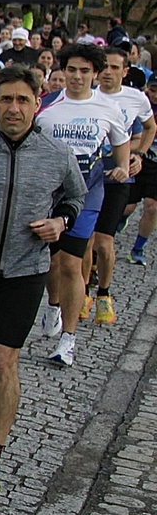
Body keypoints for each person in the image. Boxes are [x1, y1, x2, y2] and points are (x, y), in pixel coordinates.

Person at [0, 66, 85, 493]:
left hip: (26, 271)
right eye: (6, 99)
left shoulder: (56, 153)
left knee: (4, 360)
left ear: (37, 103)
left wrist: (60, 222)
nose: (14, 108)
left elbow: (76, 197)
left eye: (23, 100)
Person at [35, 43, 131, 366]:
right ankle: (53, 305)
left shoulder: (108, 108)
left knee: (72, 265)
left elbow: (121, 142)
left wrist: (123, 166)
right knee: (52, 263)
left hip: (88, 195)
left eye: (85, 71)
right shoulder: (46, 105)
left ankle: (68, 339)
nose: (77, 77)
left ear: (96, 74)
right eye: (72, 70)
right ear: (63, 71)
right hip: (49, 194)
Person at [85, 46, 155, 323]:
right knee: (86, 240)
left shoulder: (136, 98)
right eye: (104, 67)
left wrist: (138, 155)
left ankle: (104, 294)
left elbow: (150, 127)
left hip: (118, 177)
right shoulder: (88, 95)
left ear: (125, 71)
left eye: (115, 68)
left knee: (104, 242)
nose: (108, 73)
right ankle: (83, 292)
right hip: (90, 177)